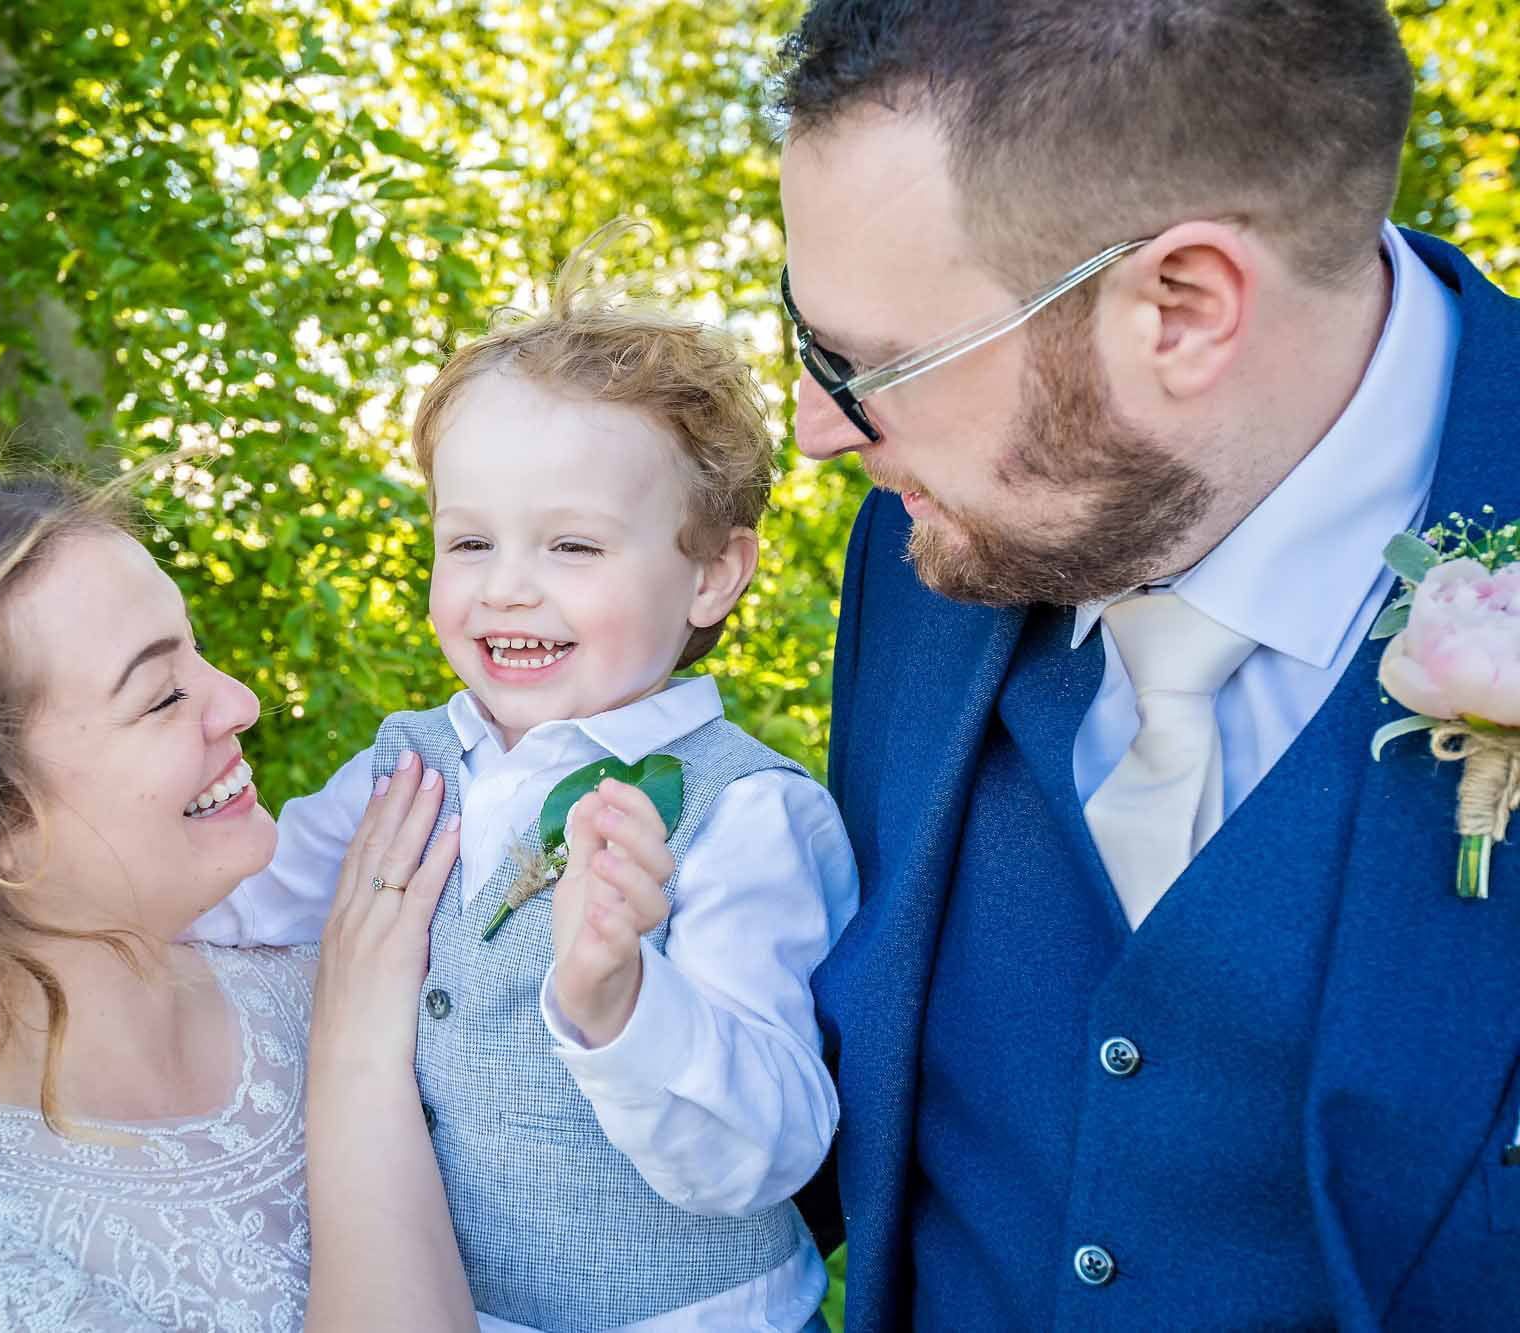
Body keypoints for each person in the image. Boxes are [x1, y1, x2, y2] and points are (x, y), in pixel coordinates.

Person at [777, 1, 1520, 1328]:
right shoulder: (928, 543)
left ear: (1180, 309)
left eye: (877, 364)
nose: (816, 430)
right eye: (808, 334)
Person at [192, 236, 858, 1331]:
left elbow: (770, 1149)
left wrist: (623, 999)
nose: (505, 589)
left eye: (571, 548)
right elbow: (241, 905)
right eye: (467, 542)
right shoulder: (401, 768)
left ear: (710, 574)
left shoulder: (747, 815)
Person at [0, 474, 478, 1331]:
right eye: (163, 695)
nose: (240, 703)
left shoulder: (333, 953)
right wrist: (358, 1062)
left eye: (196, 653)